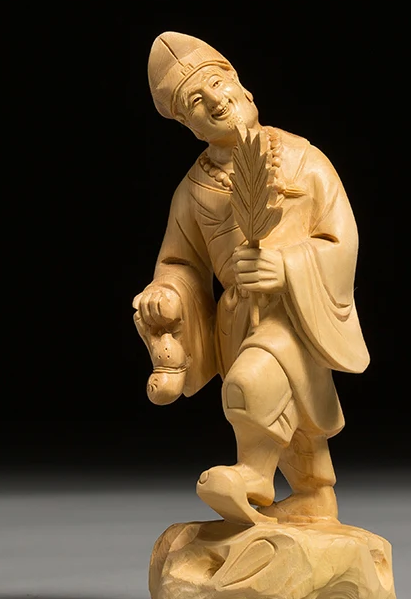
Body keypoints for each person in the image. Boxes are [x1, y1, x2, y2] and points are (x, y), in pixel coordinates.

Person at [134, 32, 369, 525]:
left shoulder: (304, 161)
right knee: (280, 409)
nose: (215, 100)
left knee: (252, 381)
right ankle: (313, 496)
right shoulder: (192, 192)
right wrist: (165, 294)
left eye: (218, 84)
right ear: (187, 125)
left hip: (297, 314)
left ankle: (254, 477)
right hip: (239, 318)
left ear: (241, 85)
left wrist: (287, 267)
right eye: (195, 101)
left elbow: (341, 240)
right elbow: (180, 263)